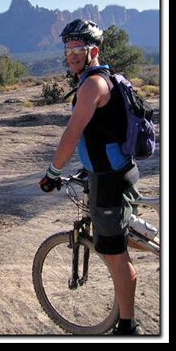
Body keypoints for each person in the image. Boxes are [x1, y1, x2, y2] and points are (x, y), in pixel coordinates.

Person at [38, 19, 144, 336]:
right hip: (108, 176)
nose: (70, 54)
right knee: (119, 240)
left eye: (77, 48)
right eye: (67, 48)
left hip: (111, 182)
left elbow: (71, 136)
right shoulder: (95, 80)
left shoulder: (93, 85)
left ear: (93, 50)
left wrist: (52, 173)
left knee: (115, 254)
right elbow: (98, 136)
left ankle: (127, 327)